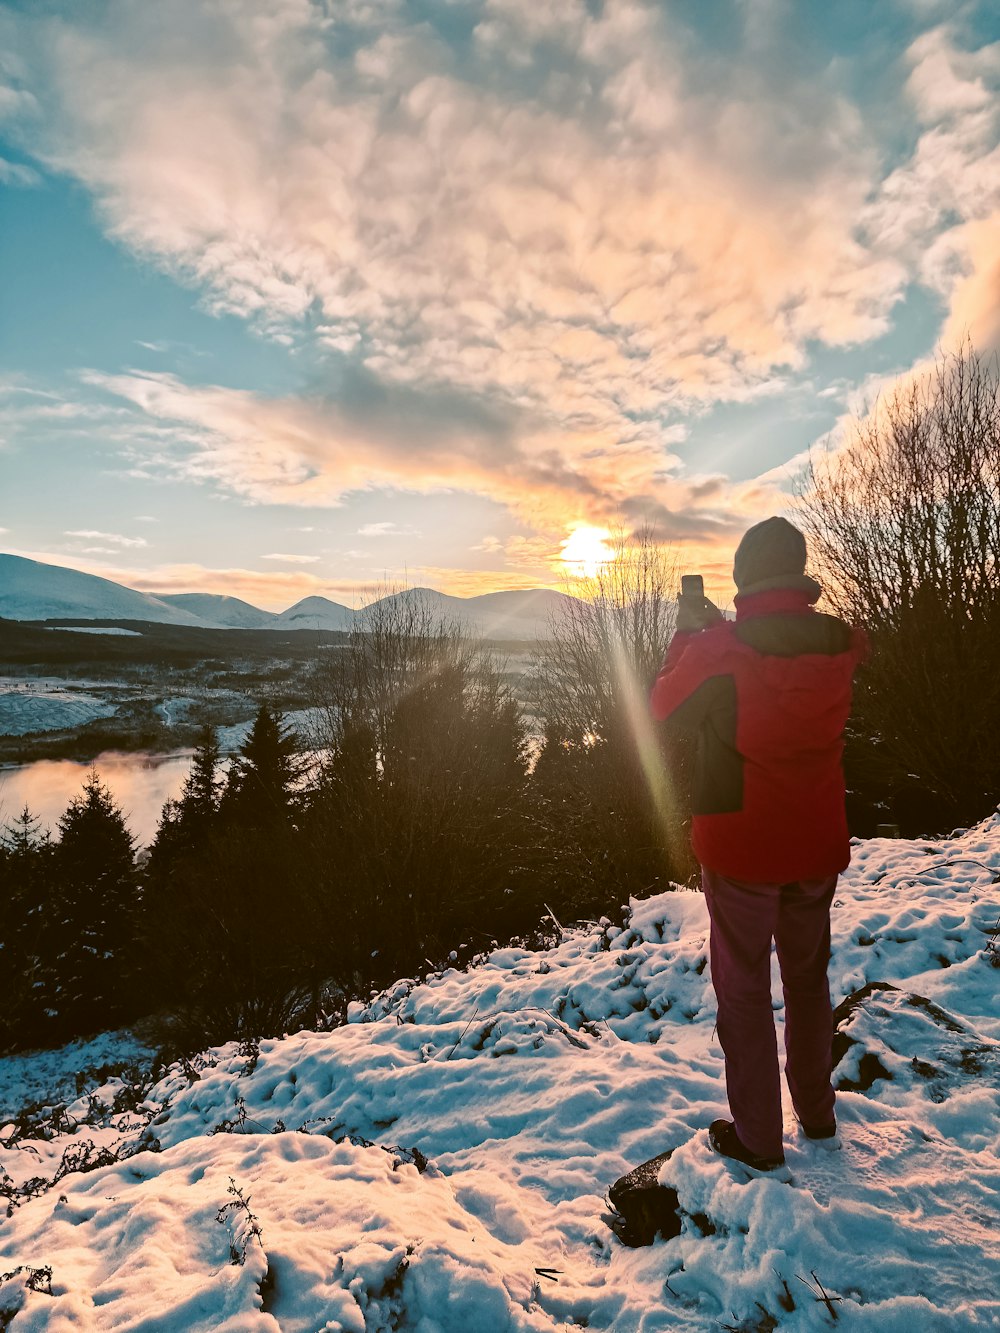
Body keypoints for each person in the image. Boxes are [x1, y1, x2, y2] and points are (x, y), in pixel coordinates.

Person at [649, 516, 866, 1171]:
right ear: (799, 574)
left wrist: (688, 633)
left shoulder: (721, 646)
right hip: (816, 840)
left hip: (743, 846)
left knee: (743, 989)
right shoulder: (840, 642)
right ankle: (818, 1115)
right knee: (807, 981)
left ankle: (760, 1141)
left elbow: (665, 707)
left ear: (745, 576)